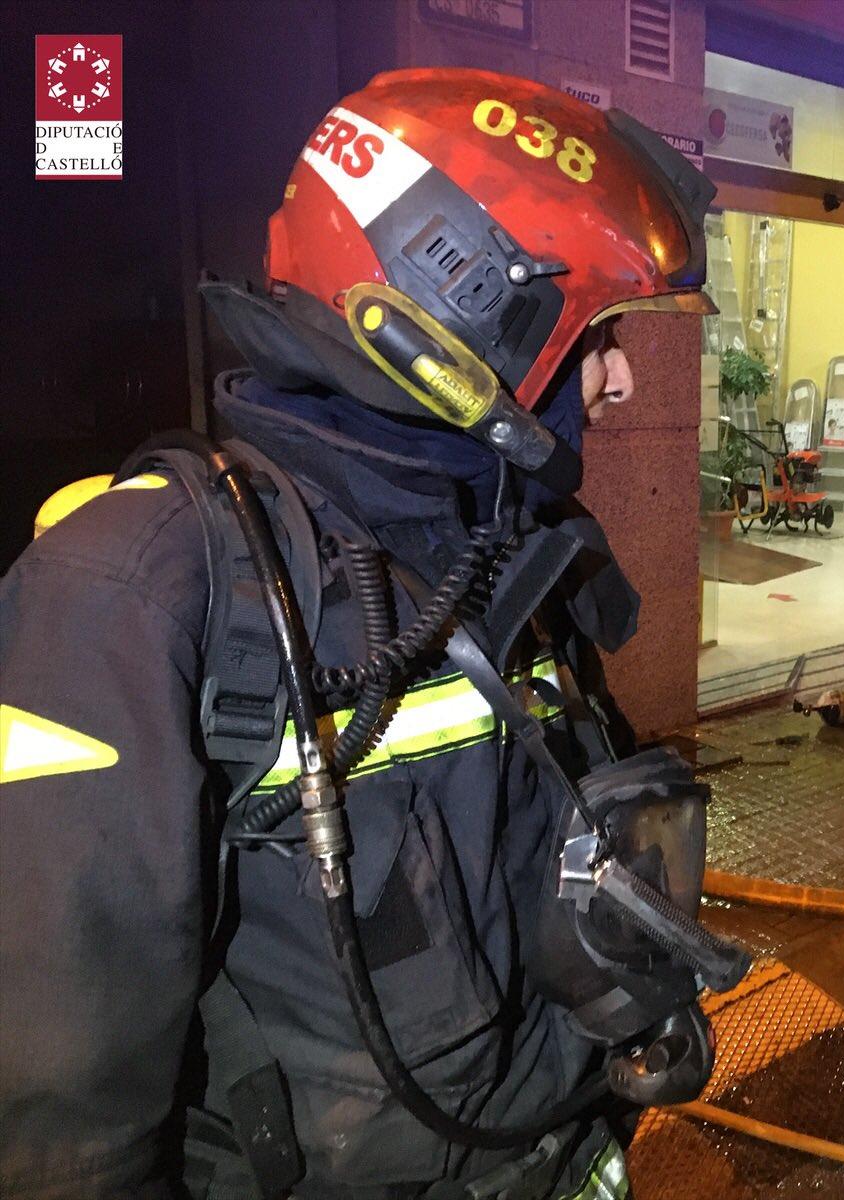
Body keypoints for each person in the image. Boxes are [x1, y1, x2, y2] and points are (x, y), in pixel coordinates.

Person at [0, 70, 741, 1199]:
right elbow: (65, 1128)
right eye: (600, 336)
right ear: (457, 307)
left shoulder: (506, 545)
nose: (623, 380)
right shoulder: (133, 588)